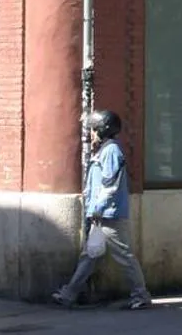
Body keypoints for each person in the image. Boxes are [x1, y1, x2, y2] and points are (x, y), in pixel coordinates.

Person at [51, 109, 153, 310]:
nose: (91, 133)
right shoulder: (105, 150)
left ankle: (141, 295)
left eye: (93, 129)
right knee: (90, 255)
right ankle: (69, 293)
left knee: (123, 255)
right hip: (100, 214)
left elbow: (110, 185)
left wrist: (97, 207)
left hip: (109, 214)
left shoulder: (111, 151)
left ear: (103, 130)